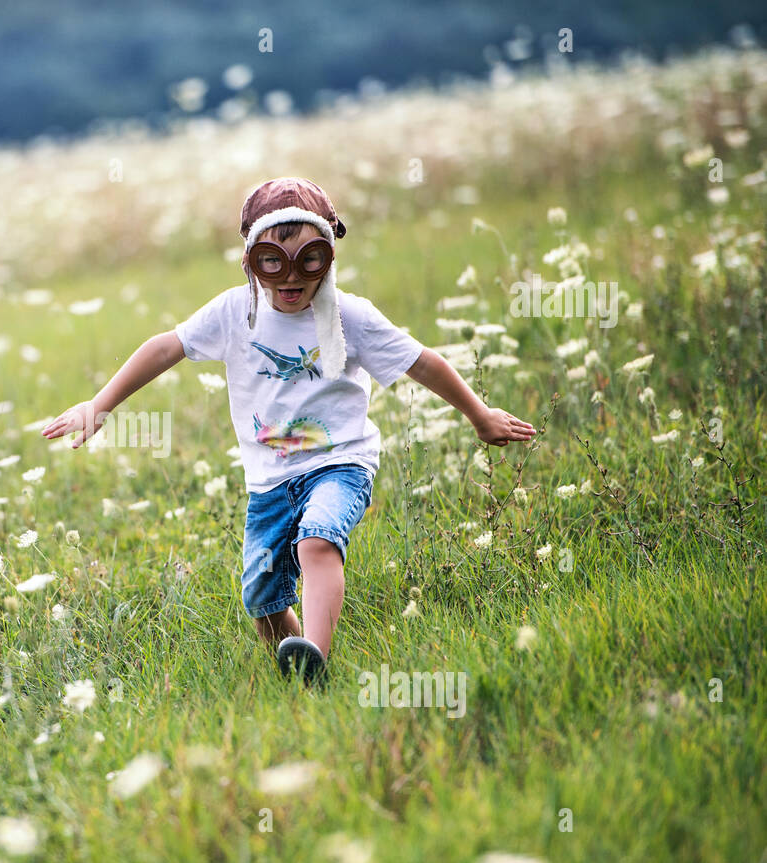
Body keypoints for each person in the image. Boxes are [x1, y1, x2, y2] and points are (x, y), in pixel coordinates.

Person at [41, 177, 536, 682]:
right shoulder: (236, 312)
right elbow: (165, 347)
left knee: (316, 542)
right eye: (274, 260)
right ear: (253, 259)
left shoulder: (349, 317)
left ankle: (317, 654)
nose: (291, 276)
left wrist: (480, 415)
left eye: (309, 259)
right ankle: (301, 672)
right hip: (268, 482)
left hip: (340, 463)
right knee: (262, 597)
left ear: (329, 257)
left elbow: (422, 362)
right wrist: (99, 405)